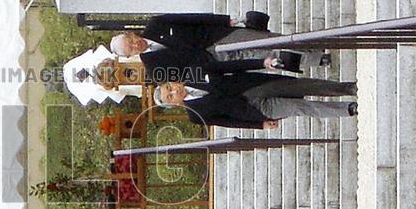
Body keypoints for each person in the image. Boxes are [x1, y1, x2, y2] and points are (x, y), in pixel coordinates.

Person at [109, 12, 327, 83]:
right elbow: (188, 76)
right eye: (130, 49)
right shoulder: (154, 70)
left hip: (217, 36)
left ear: (132, 34)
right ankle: (315, 60)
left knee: (269, 40)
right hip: (214, 63)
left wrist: (222, 21)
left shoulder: (157, 24)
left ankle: (315, 43)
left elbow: (191, 19)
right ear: (130, 56)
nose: (135, 44)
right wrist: (209, 72)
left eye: (131, 40)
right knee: (267, 59)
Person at [153, 76, 358, 130]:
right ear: (174, 104)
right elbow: (228, 122)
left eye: (170, 87)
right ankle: (347, 109)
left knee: (302, 86)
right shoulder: (195, 116)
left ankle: (347, 88)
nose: (174, 91)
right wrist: (259, 125)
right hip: (253, 110)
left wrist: (260, 64)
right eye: (170, 95)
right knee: (298, 108)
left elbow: (229, 66)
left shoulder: (195, 75)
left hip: (255, 86)